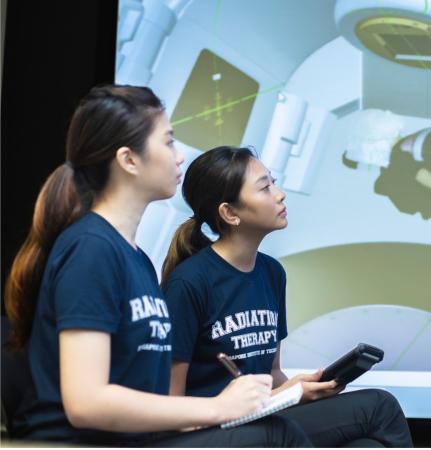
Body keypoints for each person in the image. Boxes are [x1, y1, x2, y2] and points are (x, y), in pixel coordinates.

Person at [4, 85, 311, 447]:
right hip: (87, 444)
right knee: (278, 435)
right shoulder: (91, 249)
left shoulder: (135, 259)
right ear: (129, 160)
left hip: (137, 439)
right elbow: (85, 403)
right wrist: (218, 408)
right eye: (168, 142)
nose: (178, 157)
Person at [160, 146, 414, 447]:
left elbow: (272, 373)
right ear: (230, 213)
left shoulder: (271, 273)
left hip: (263, 420)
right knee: (379, 406)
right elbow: (171, 405)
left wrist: (304, 388)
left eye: (274, 183)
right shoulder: (188, 283)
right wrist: (287, 394)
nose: (280, 195)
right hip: (215, 434)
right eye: (264, 188)